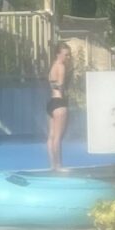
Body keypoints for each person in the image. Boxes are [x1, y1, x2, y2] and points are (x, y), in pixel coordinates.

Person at [46, 39, 75, 172]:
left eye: (69, 55)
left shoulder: (52, 66)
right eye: (65, 54)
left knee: (51, 136)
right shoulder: (61, 66)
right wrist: (64, 90)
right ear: (58, 54)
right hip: (60, 103)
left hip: (51, 103)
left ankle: (52, 164)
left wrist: (55, 85)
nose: (67, 57)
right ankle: (59, 166)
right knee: (58, 137)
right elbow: (61, 86)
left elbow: (52, 83)